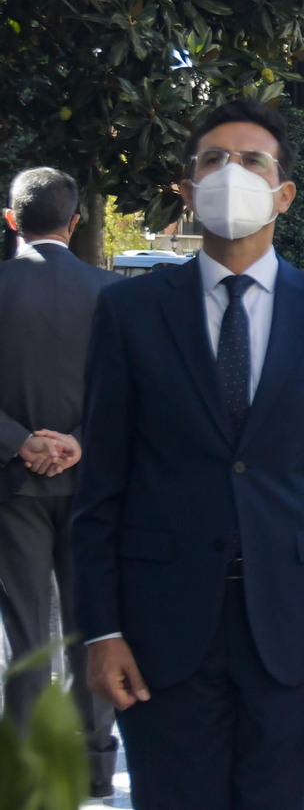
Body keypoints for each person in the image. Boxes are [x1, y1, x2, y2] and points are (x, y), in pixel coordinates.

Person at [74, 100, 304, 808]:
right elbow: (101, 487)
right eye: (212, 159)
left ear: (284, 193)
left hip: (299, 629)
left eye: (252, 160)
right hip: (161, 627)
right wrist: (103, 628)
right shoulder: (130, 311)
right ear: (186, 191)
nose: (230, 172)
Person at [0, 168, 120, 796]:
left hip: (11, 487)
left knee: (24, 637)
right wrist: (77, 440)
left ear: (10, 218)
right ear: (74, 224)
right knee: (88, 630)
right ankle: (94, 766)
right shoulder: (108, 293)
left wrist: (20, 441)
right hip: (89, 489)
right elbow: (127, 398)